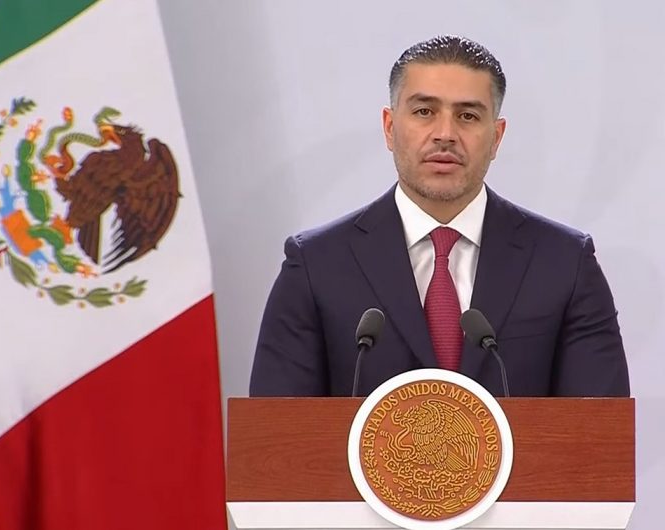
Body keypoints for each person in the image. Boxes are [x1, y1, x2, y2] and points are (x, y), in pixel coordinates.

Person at [249, 35, 630, 398]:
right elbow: (277, 431)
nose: (445, 133)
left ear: (496, 137)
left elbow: (597, 432)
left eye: (467, 115)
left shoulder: (564, 263)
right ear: (389, 127)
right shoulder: (317, 265)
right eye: (424, 112)